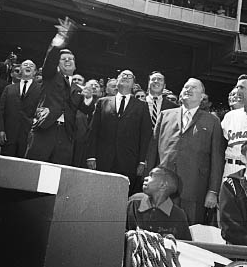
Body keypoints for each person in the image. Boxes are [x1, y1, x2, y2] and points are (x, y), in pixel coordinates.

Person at [147, 77, 224, 225]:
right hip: (163, 187)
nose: (188, 90)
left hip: (194, 188)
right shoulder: (165, 115)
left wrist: (213, 191)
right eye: (186, 87)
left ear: (202, 97)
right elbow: (152, 151)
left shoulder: (212, 121)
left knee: (190, 232)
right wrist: (149, 180)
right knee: (159, 228)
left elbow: (216, 158)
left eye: (194, 88)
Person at [25, 17, 93, 165]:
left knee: (57, 176)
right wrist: (60, 39)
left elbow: (86, 109)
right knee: (33, 170)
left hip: (66, 135)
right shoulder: (50, 76)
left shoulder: (78, 88)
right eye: (64, 59)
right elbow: (50, 60)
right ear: (57, 64)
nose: (68, 61)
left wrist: (88, 98)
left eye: (71, 59)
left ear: (75, 66)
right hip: (45, 130)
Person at [87, 70, 152, 192]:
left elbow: (145, 135)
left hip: (129, 161)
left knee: (121, 196)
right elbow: (93, 130)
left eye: (130, 76)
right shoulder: (103, 102)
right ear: (116, 82)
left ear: (134, 84)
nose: (126, 77)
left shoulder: (142, 106)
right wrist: (91, 156)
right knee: (99, 193)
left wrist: (142, 161)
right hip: (103, 159)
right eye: (123, 75)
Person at [127, 167, 192, 240]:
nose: (145, 178)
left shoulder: (178, 215)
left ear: (163, 185)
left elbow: (185, 245)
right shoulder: (133, 204)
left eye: (151, 175)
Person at [0, 60, 41, 157]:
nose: (28, 66)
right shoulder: (9, 88)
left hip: (28, 135)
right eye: (25, 65)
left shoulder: (41, 90)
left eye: (31, 65)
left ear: (35, 71)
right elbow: (1, 111)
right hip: (8, 134)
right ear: (20, 70)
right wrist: (1, 130)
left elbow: (41, 110)